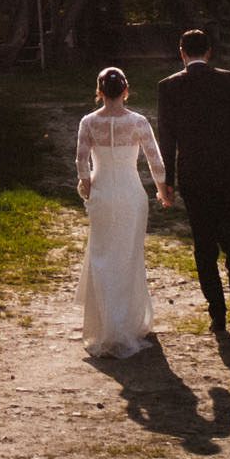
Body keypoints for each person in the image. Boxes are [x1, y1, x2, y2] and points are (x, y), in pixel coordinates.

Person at [155, 26, 230, 334]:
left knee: (204, 246)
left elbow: (167, 139)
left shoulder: (169, 87)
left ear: (182, 53)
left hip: (194, 176)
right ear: (210, 52)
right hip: (228, 173)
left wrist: (167, 182)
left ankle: (217, 312)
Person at [75, 65, 164, 358]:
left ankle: (105, 325)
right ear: (126, 91)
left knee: (102, 255)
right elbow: (156, 163)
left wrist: (87, 185)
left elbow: (81, 163)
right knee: (128, 255)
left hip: (103, 192)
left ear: (99, 92)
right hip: (130, 193)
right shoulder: (138, 122)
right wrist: (163, 190)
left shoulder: (88, 122)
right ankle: (128, 322)